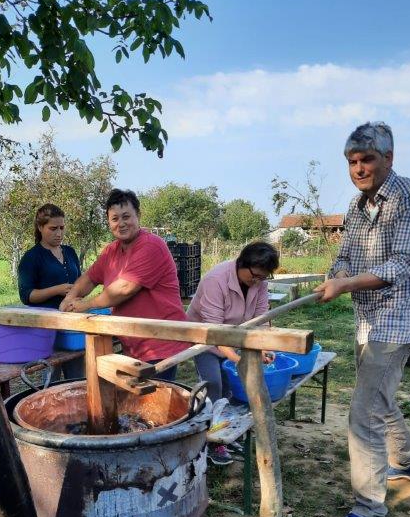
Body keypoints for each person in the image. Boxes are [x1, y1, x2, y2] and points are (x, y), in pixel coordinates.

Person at [314, 121, 410, 517]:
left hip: (397, 321)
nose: (359, 169)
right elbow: (346, 256)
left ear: (389, 158)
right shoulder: (356, 206)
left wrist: (346, 284)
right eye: (352, 162)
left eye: (367, 159)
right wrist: (337, 275)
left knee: (364, 411)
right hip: (367, 320)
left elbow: (403, 263)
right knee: (379, 397)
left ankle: (369, 511)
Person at [60, 188, 188, 380]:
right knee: (132, 396)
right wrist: (70, 298)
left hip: (160, 344)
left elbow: (124, 289)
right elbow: (89, 278)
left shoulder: (151, 246)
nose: (121, 223)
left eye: (126, 216)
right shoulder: (111, 251)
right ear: (109, 222)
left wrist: (85, 305)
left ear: (138, 216)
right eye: (115, 219)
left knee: (153, 397)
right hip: (134, 344)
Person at [187, 241, 279, 466]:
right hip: (206, 338)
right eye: (254, 276)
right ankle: (209, 441)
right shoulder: (215, 280)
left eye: (263, 277)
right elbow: (215, 331)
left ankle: (223, 432)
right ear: (241, 263)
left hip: (233, 336)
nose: (257, 281)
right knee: (213, 386)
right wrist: (239, 360)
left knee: (229, 388)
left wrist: (264, 346)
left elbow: (261, 318)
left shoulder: (260, 282)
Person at [18, 203, 85, 380]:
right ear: (40, 227)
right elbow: (26, 295)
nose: (59, 233)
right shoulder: (31, 257)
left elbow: (80, 282)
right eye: (53, 228)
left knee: (77, 378)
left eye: (62, 228)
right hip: (47, 330)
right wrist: (57, 289)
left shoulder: (70, 252)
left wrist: (79, 292)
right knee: (50, 380)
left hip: (73, 326)